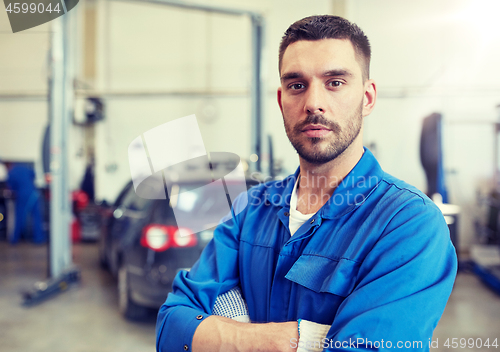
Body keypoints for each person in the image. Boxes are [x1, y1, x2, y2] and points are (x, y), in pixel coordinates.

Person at [156, 15, 457, 352]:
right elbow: (171, 326)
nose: (313, 103)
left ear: (368, 98)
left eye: (335, 82)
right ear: (282, 99)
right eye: (297, 85)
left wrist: (225, 330)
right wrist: (299, 340)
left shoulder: (409, 223)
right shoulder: (249, 208)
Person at [6, 163, 45, 244]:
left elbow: (11, 188)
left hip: (22, 195)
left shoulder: (11, 173)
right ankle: (38, 238)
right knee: (37, 217)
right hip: (33, 193)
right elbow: (34, 174)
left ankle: (15, 239)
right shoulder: (25, 167)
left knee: (19, 217)